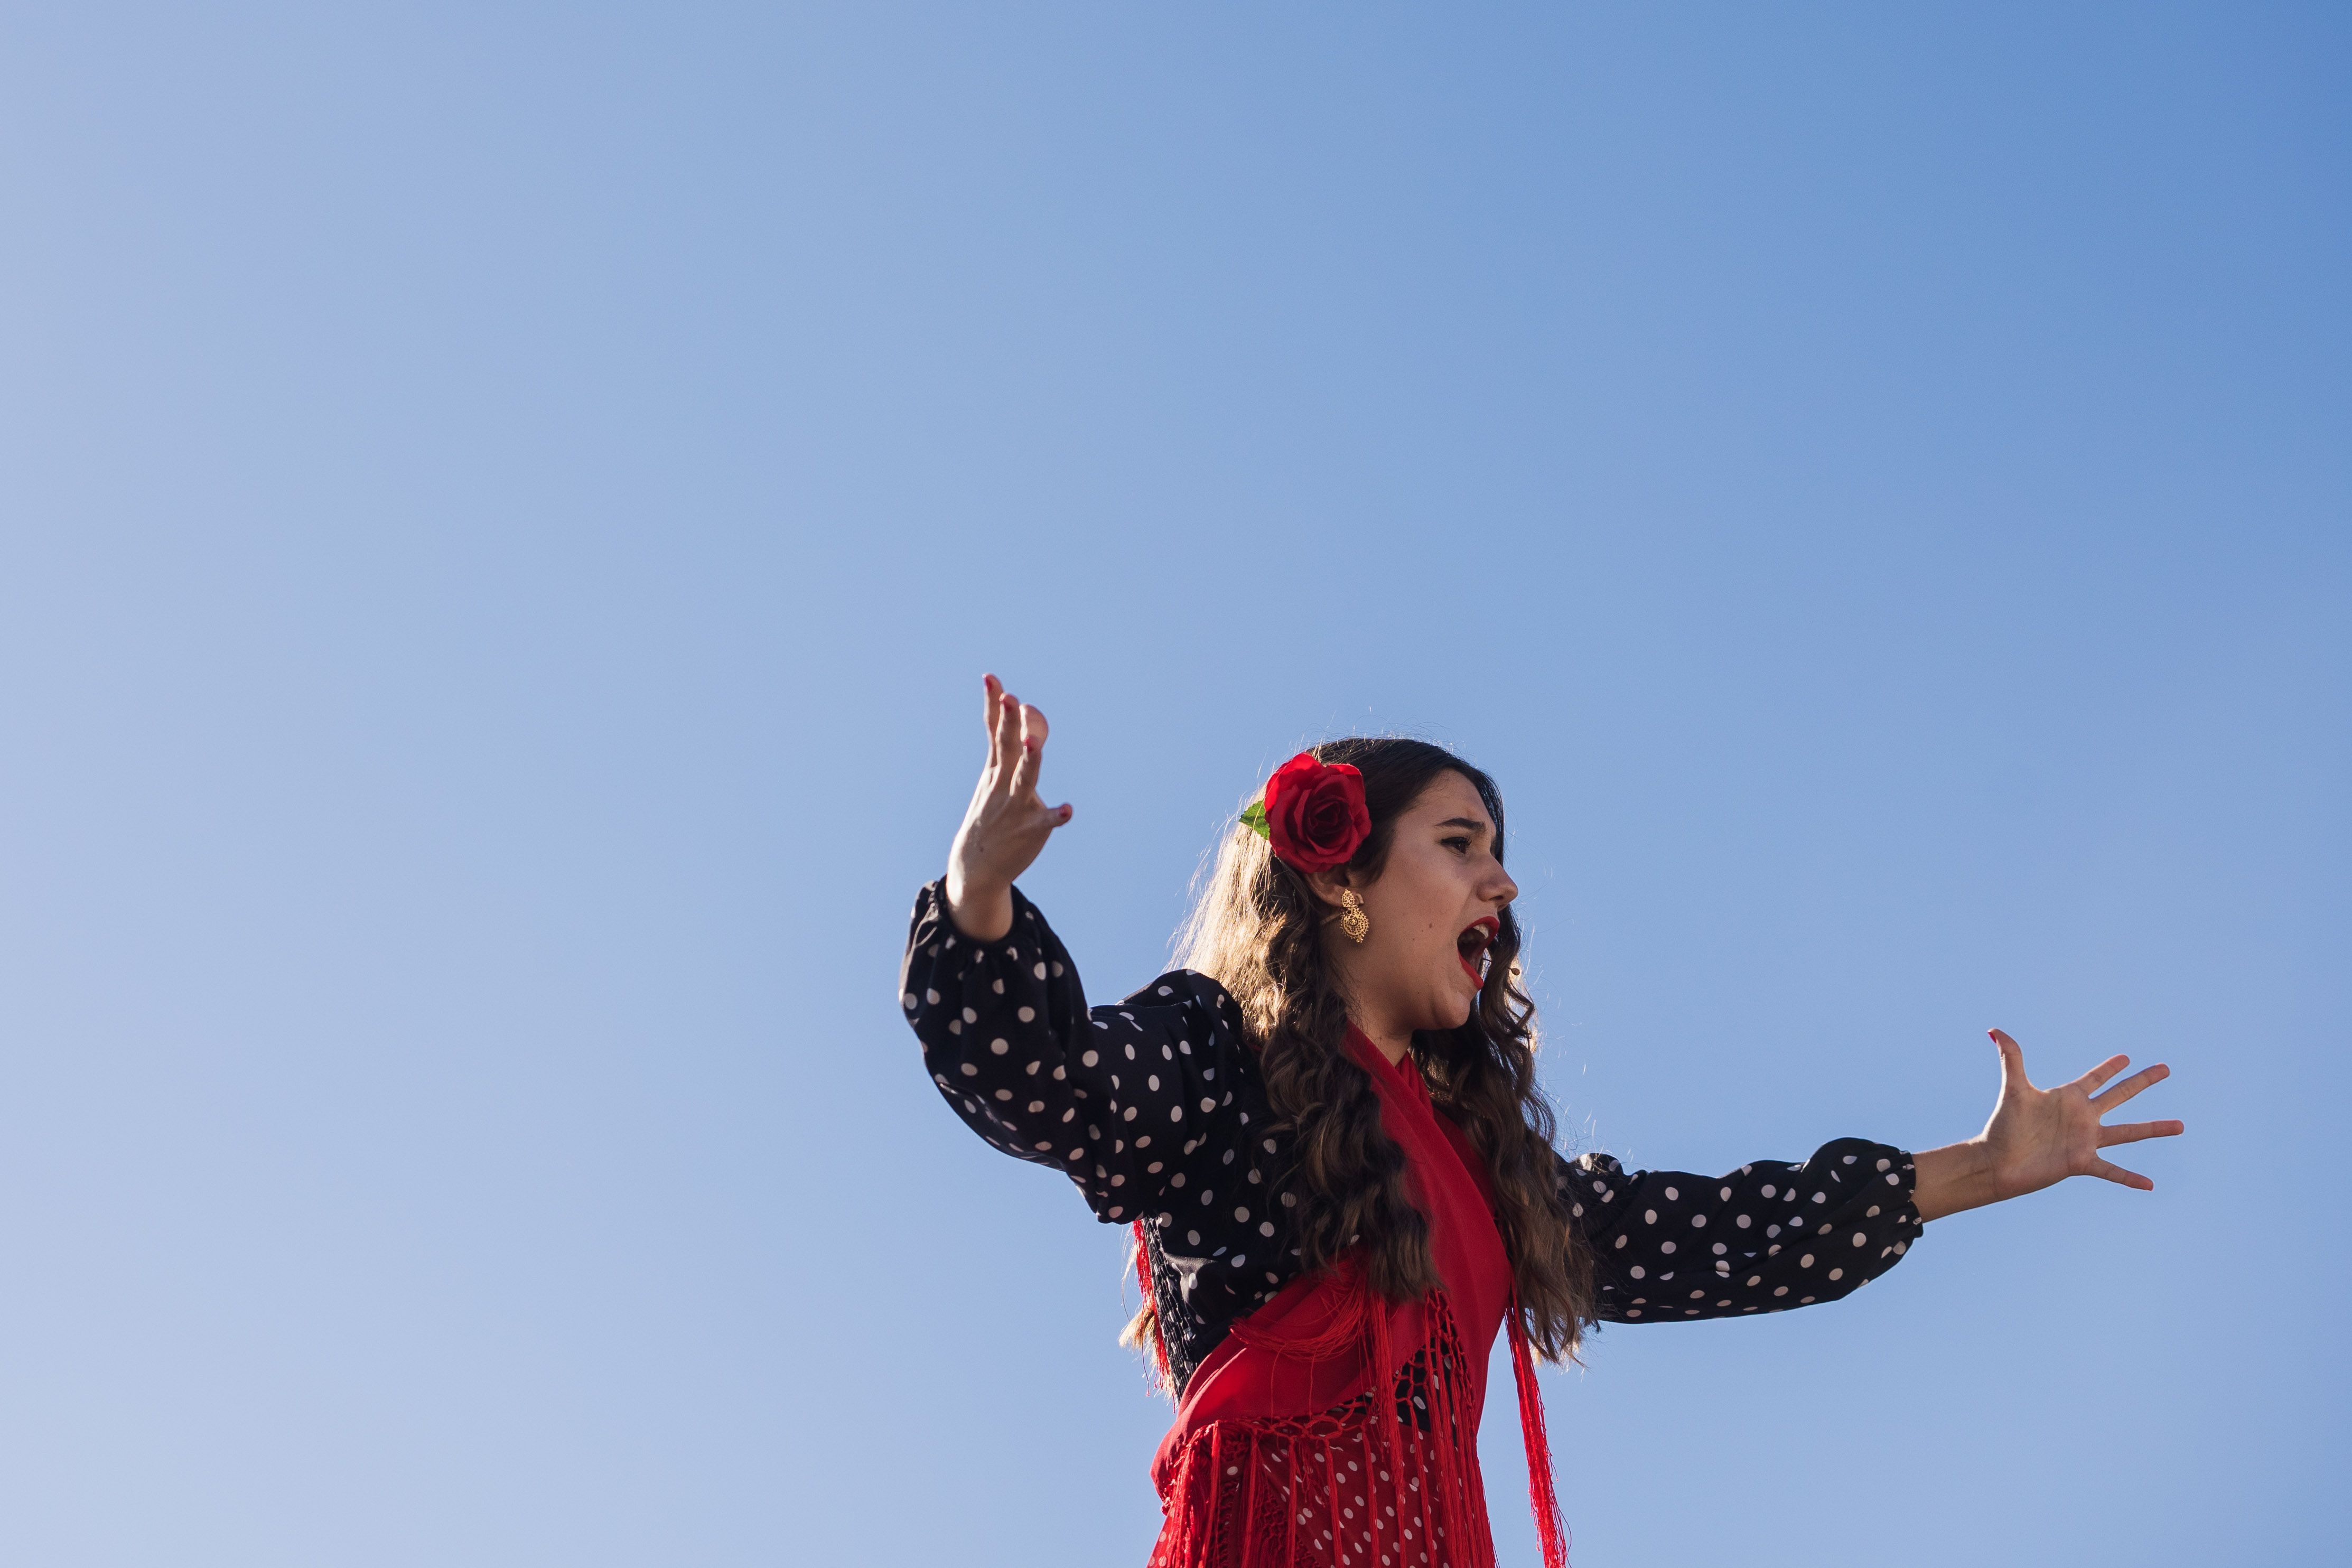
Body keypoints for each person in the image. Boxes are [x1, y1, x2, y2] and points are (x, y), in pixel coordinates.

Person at [899, 677, 2183, 1568]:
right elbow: (1053, 1084)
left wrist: (1987, 1165)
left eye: (1496, 851)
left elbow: (1715, 1231)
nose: (1502, 882)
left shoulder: (1488, 1167)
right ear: (1341, 874)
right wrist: (980, 891)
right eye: (1460, 843)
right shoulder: (1220, 1051)